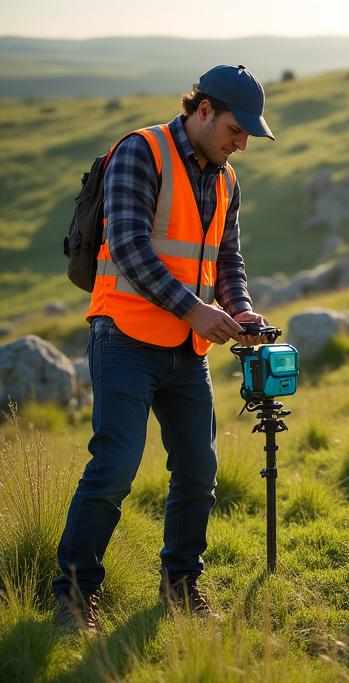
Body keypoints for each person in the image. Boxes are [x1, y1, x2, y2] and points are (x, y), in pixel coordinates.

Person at [53, 64, 275, 633]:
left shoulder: (226, 179)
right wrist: (195, 309)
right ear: (203, 110)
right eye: (235, 128)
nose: (241, 143)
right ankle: (74, 600)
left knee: (199, 471)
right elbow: (127, 244)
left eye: (249, 134)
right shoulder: (141, 151)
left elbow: (227, 262)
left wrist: (239, 307)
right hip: (123, 335)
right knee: (114, 467)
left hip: (187, 346)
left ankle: (182, 589)